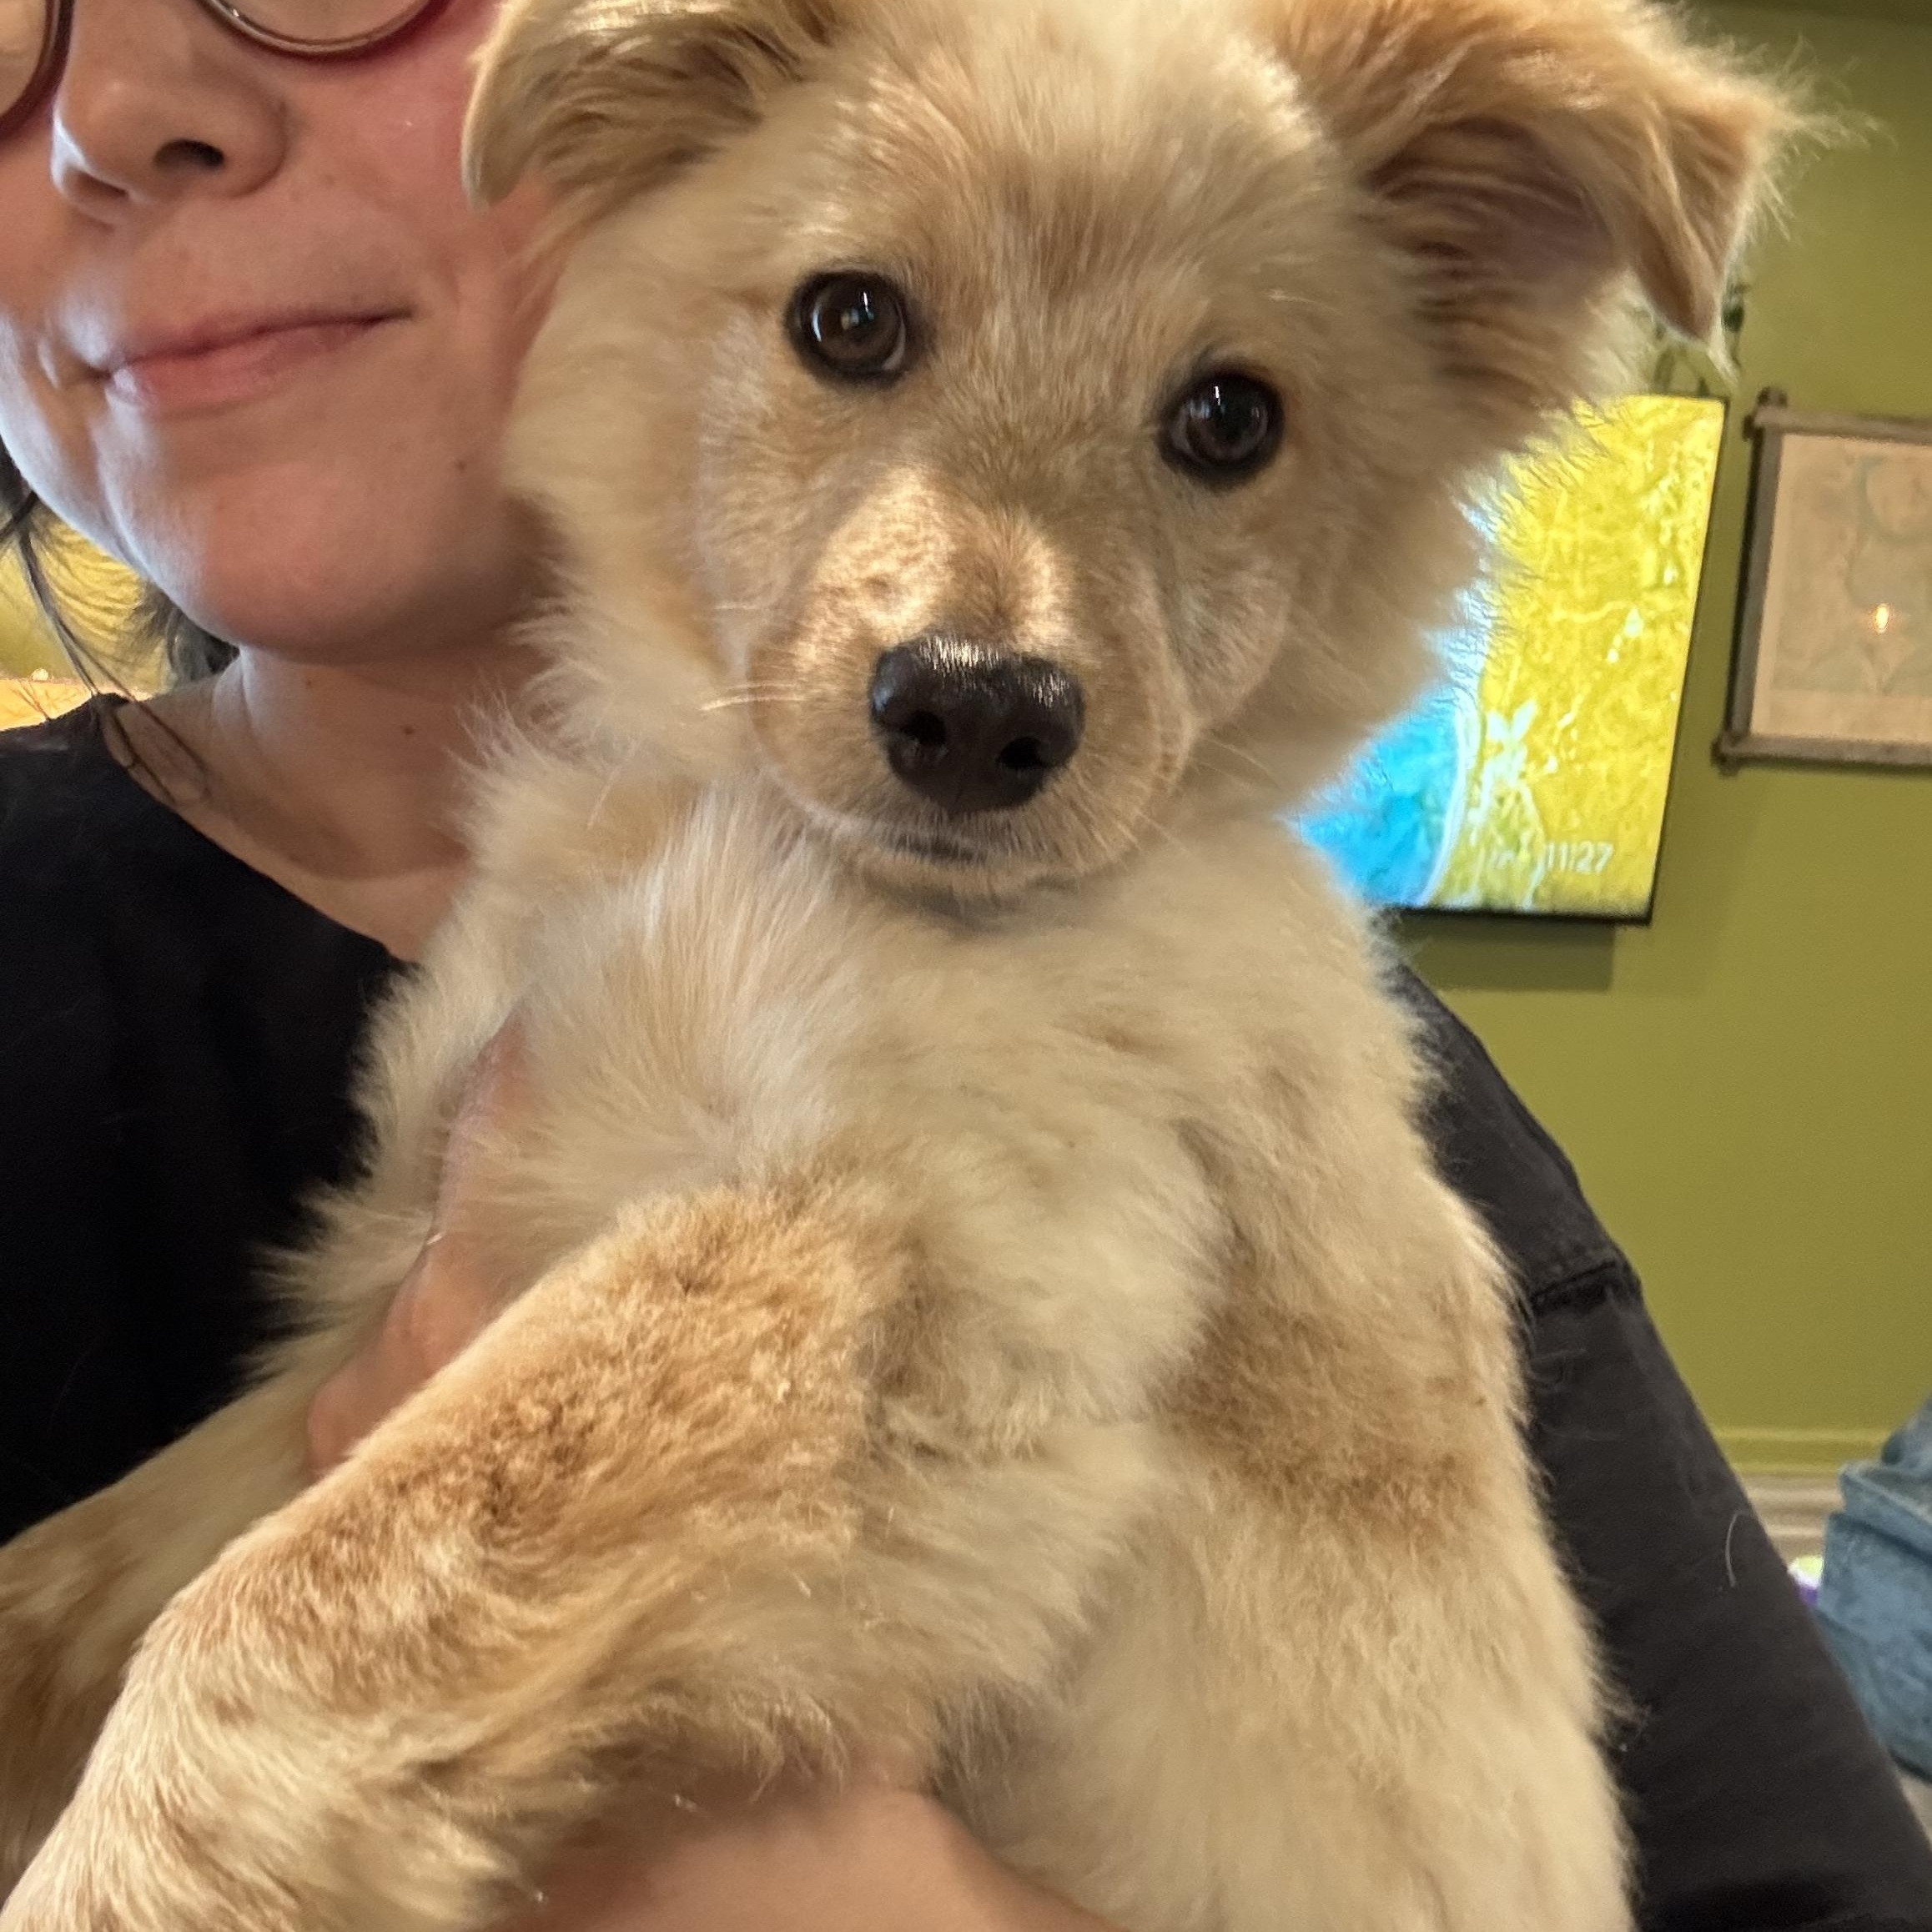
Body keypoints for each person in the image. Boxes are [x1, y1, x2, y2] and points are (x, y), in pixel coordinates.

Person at [0, 0, 1927, 1926]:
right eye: (856, 327)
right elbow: (417, 1430)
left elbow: (872, 1393)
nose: (122, 106)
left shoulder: (1167, 958)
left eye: (1221, 421)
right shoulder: (613, 859)